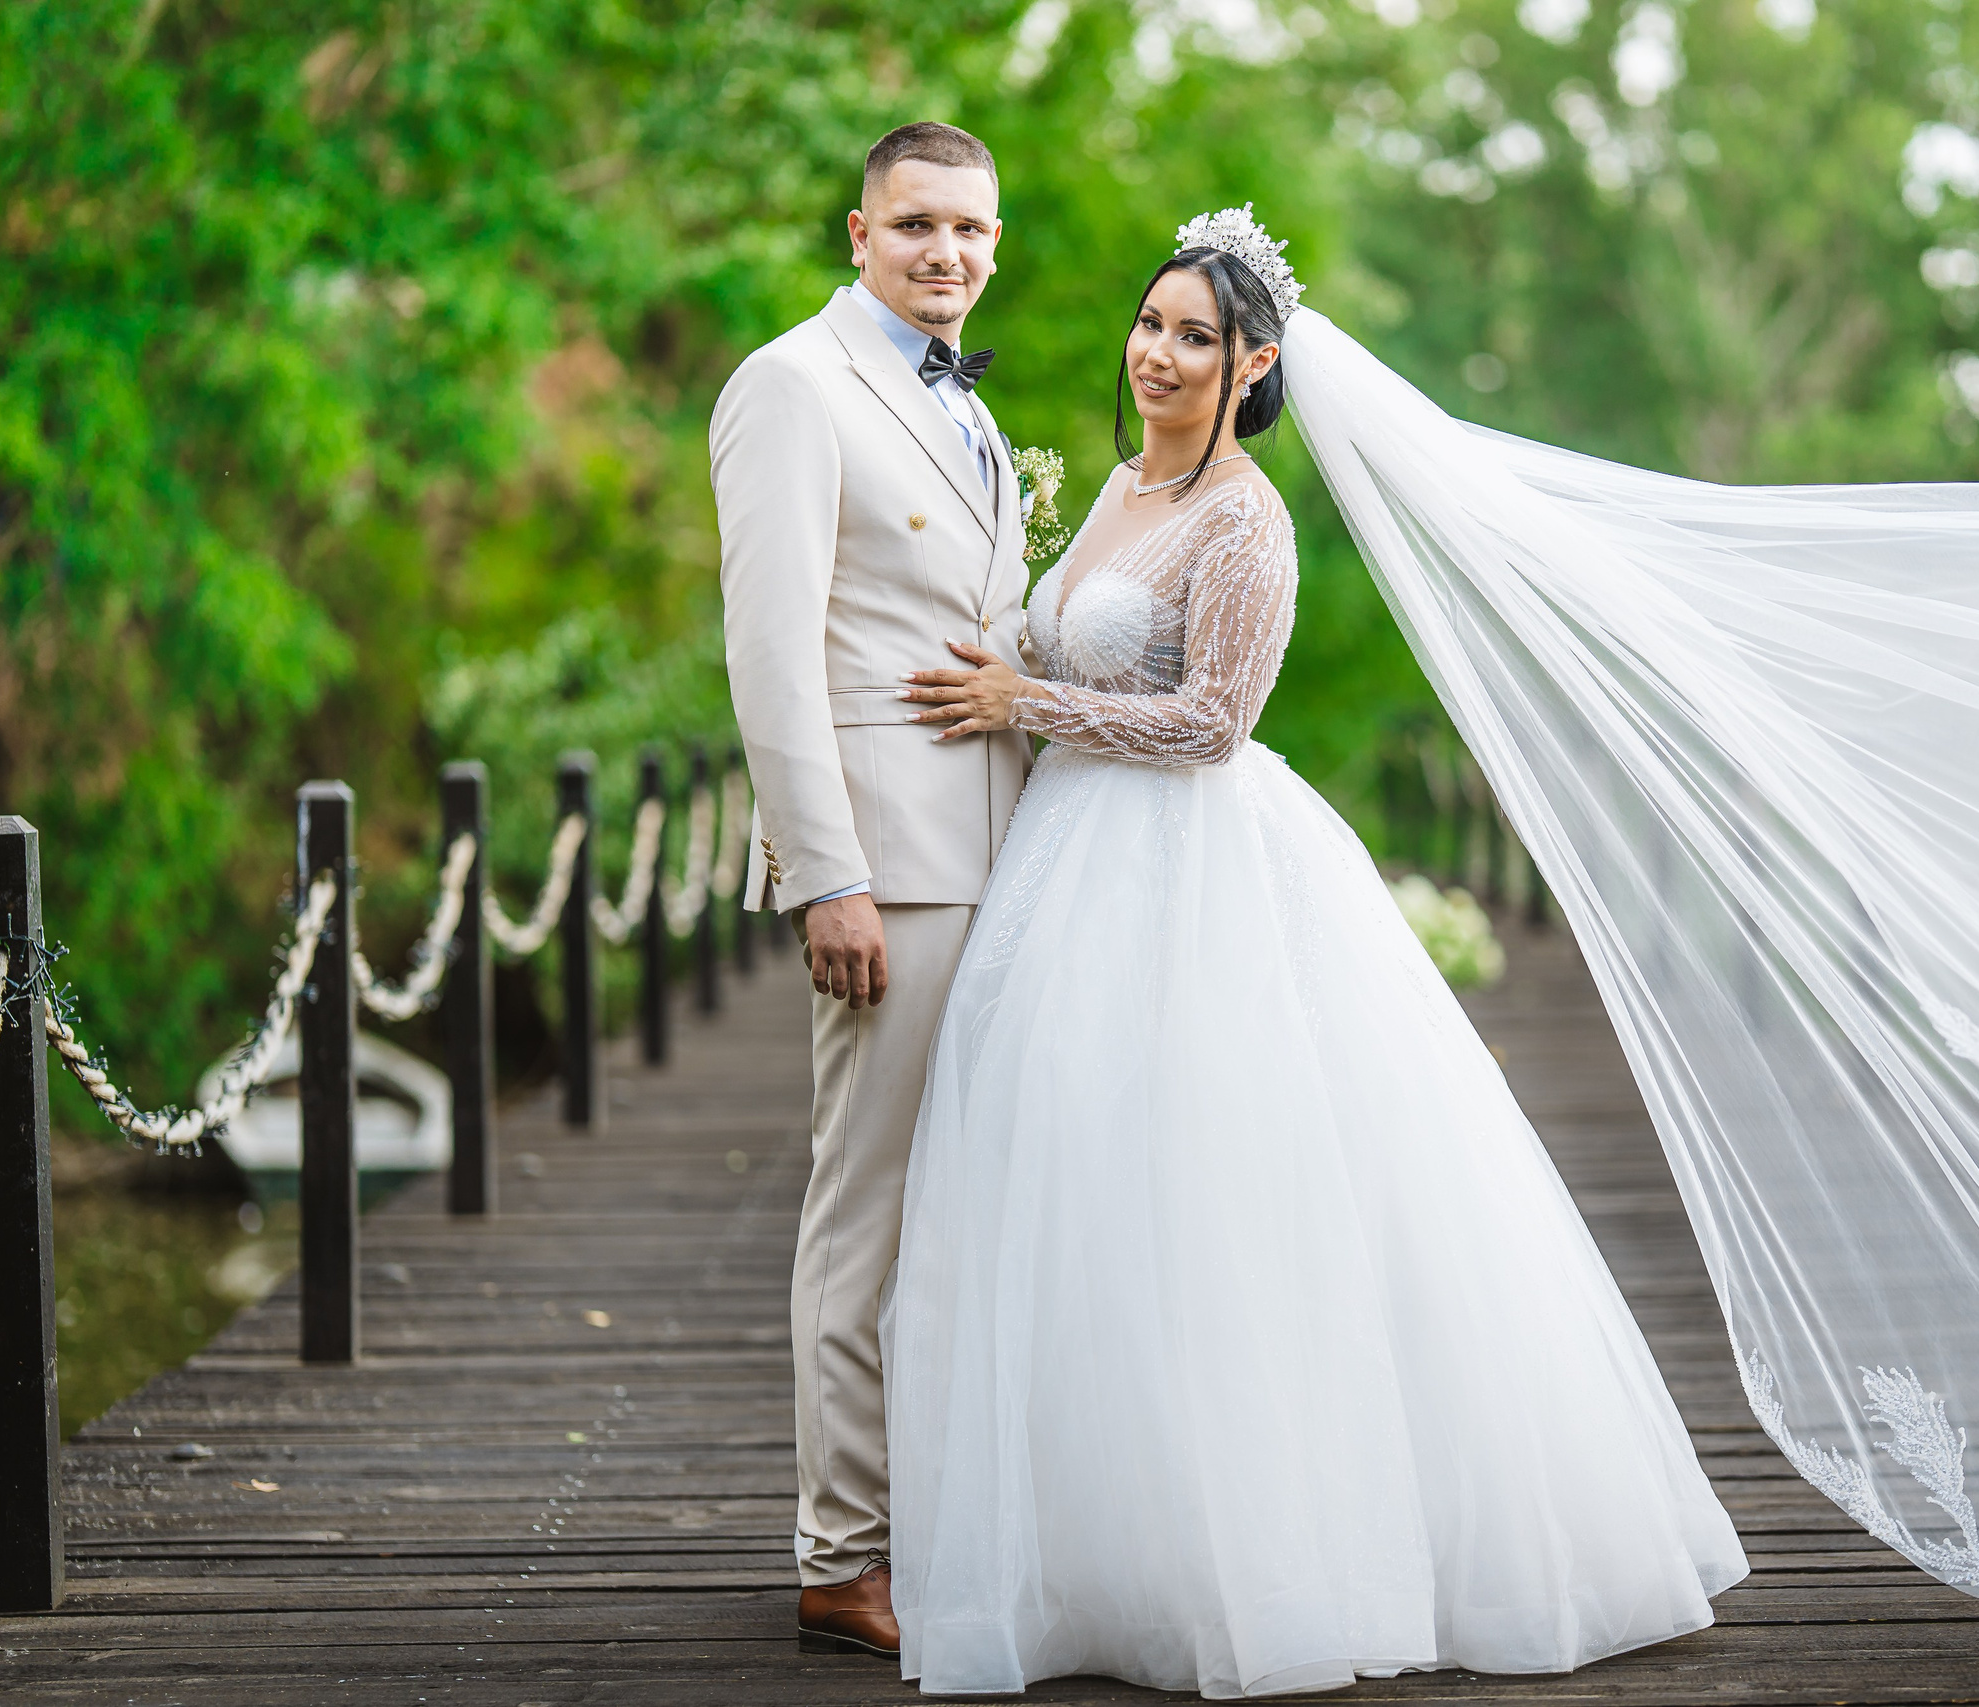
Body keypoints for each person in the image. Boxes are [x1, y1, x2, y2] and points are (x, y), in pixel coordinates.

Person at [885, 215, 1748, 1697]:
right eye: (1150, 325)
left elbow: (1214, 724)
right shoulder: (1118, 485)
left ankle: (1256, 1560)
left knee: (1206, 1200)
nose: (1160, 355)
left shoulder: (1247, 522)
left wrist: (1026, 705)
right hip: (1063, 869)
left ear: (1256, 364)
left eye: (1197, 338)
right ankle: (1095, 1557)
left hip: (1188, 878)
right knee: (1072, 1185)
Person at [710, 121, 1031, 1658]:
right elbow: (771, 652)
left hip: (1007, 855)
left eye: (969, 229)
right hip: (889, 868)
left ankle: (936, 1523)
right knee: (868, 1218)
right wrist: (823, 873)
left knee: (967, 1212)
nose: (945, 252)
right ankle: (842, 1557)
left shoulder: (966, 401)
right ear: (859, 233)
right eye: (915, 225)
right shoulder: (793, 385)